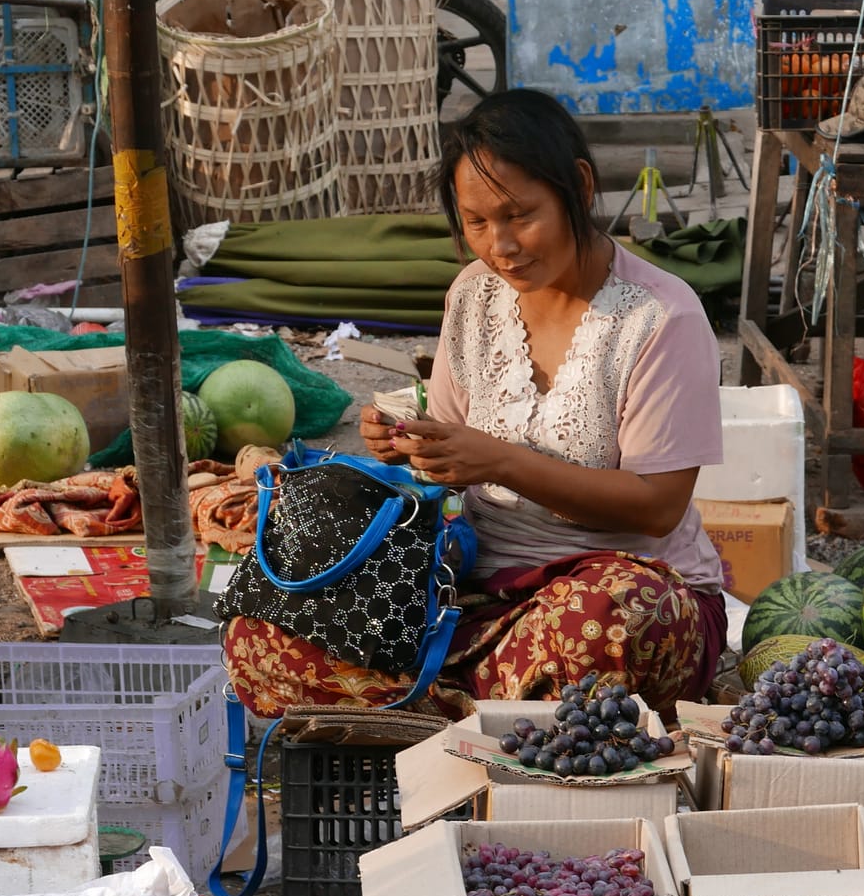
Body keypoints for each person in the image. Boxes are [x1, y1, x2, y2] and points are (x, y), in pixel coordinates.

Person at [223, 89, 727, 718]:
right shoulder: (472, 296)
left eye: (520, 215)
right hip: (476, 592)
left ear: (580, 186)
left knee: (618, 619)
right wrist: (415, 444)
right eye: (478, 222)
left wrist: (500, 462)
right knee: (260, 636)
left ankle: (418, 709)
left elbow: (658, 506)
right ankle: (504, 712)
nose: (501, 245)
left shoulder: (661, 316)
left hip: (613, 591)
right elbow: (448, 463)